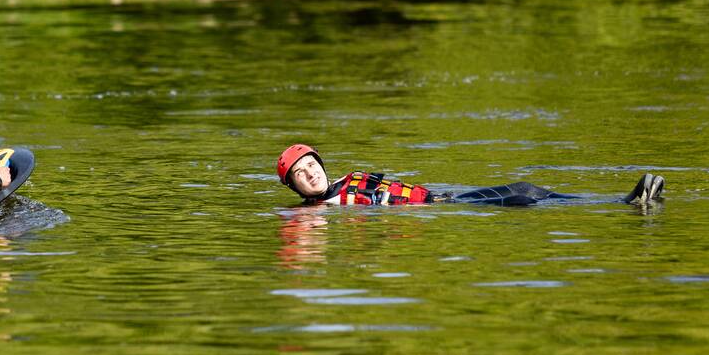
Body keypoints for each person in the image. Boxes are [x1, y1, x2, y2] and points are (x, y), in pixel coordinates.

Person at [275, 144, 665, 207]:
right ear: (294, 187)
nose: (310, 174)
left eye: (311, 166)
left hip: (443, 199)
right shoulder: (316, 214)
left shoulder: (349, 179)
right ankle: (627, 202)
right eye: (300, 175)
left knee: (526, 187)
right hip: (446, 210)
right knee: (521, 200)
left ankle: (618, 199)